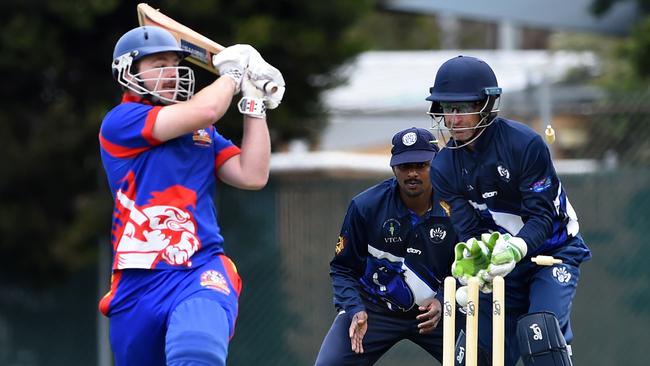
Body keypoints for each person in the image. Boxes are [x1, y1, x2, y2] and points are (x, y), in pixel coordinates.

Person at [97, 25, 285, 366]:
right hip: (137, 282)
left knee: (195, 351)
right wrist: (231, 74)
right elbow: (205, 110)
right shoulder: (121, 121)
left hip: (198, 268)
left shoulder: (202, 133)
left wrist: (254, 103)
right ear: (127, 72)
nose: (170, 72)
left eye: (173, 63)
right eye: (157, 64)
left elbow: (252, 174)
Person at [426, 55, 592, 366]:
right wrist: (477, 258)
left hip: (552, 252)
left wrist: (515, 248)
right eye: (448, 109)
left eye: (463, 108)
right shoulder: (443, 166)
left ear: (487, 105)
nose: (453, 119)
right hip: (501, 266)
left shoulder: (524, 145)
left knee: (540, 335)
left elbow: (543, 217)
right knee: (474, 354)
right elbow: (468, 229)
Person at [314, 127, 463, 365]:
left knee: (483, 356)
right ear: (394, 167)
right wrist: (355, 309)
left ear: (436, 164)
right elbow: (342, 269)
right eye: (405, 166)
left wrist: (444, 301)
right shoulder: (366, 206)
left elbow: (466, 267)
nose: (412, 173)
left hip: (436, 311)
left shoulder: (457, 206)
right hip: (373, 310)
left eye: (421, 165)